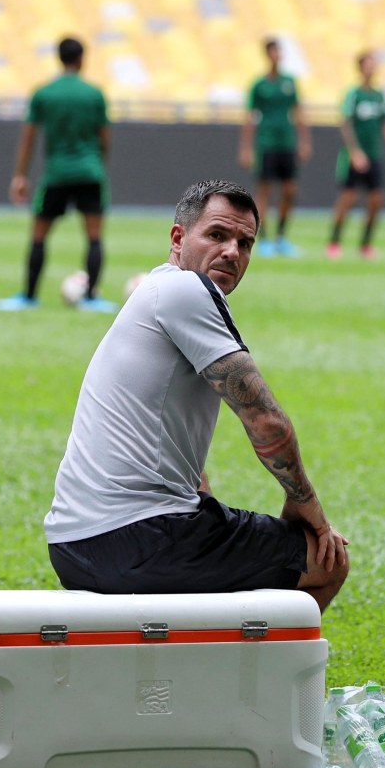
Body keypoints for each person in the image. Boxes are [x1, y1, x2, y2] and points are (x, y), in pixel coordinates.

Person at [45, 179, 348, 613]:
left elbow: (172, 441)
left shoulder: (157, 291)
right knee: (327, 561)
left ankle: (201, 678)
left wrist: (207, 507)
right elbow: (267, 422)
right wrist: (307, 509)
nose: (232, 252)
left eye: (245, 243)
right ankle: (250, 684)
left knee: (215, 531)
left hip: (75, 545)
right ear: (178, 237)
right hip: (138, 538)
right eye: (217, 235)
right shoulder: (186, 290)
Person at [0, 37, 118, 313]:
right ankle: (90, 298)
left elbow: (28, 138)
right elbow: (105, 138)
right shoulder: (94, 94)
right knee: (94, 236)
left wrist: (19, 175)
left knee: (39, 235)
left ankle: (28, 296)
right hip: (90, 172)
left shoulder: (44, 93)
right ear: (81, 59)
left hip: (56, 174)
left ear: (59, 58)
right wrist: (99, 166)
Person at [327, 50, 385, 260]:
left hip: (375, 154)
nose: (372, 67)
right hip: (354, 156)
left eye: (374, 64)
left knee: (377, 200)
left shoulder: (379, 96)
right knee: (348, 198)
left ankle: (365, 244)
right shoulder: (354, 94)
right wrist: (355, 152)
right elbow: (346, 124)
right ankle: (334, 241)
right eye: (368, 64)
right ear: (360, 68)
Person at [239, 38, 312, 258]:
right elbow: (250, 118)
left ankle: (281, 237)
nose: (277, 55)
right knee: (264, 191)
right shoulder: (259, 85)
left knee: (290, 190)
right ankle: (264, 239)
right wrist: (246, 148)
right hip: (266, 144)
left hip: (287, 143)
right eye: (273, 52)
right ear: (267, 54)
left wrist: (304, 141)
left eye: (279, 52)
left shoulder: (290, 82)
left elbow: (298, 113)